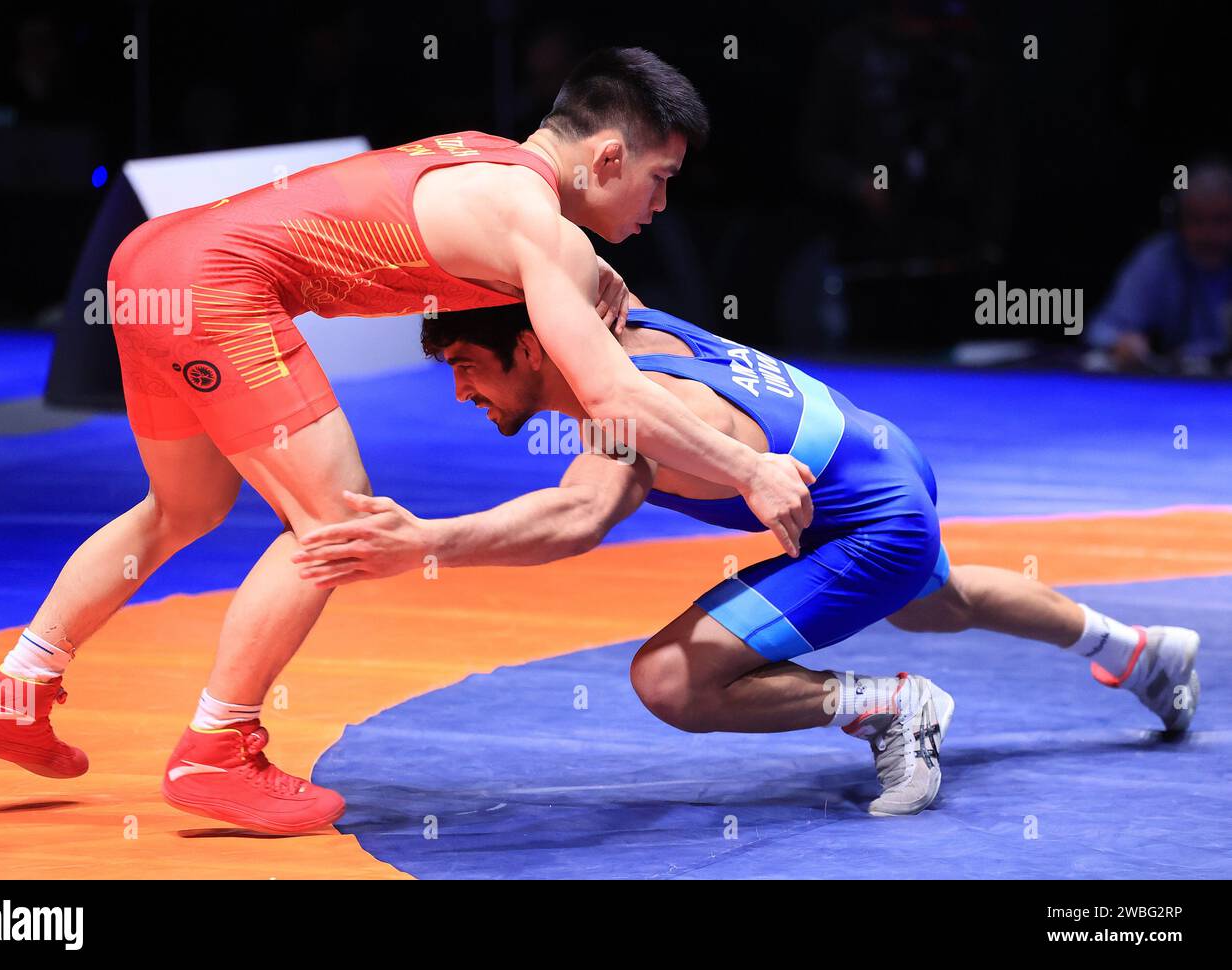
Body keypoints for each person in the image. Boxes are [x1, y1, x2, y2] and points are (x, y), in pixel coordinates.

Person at [0, 49, 814, 835]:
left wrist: (584, 268)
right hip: (217, 286)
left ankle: (19, 686)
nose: (661, 206)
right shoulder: (544, 229)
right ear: (609, 158)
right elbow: (614, 393)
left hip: (149, 261)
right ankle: (218, 744)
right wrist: (750, 469)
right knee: (336, 523)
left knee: (185, 505)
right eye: (658, 180)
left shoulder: (484, 155)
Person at [293, 298, 1202, 816]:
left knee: (670, 681)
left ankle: (890, 709)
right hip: (880, 453)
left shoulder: (631, 403)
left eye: (465, 363)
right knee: (939, 599)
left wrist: (425, 542)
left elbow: (576, 517)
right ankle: (1138, 650)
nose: (457, 390)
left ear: (529, 347)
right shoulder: (619, 314)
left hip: (868, 517)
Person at [1087, 158, 1232, 374]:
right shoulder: (1159, 260)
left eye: (1221, 220)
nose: (1208, 234)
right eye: (1196, 220)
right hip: (1174, 394)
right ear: (1178, 222)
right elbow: (1101, 328)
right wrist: (1122, 343)